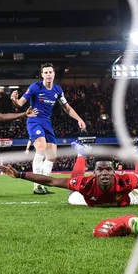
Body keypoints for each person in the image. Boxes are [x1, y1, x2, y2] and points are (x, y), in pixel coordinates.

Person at [0, 142, 138, 207]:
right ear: (95, 172)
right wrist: (21, 175)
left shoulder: (124, 180)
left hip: (126, 199)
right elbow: (51, 180)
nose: (105, 172)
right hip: (89, 198)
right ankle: (82, 155)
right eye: (101, 169)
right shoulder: (87, 184)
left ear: (115, 171)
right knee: (73, 189)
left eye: (109, 168)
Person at [10, 62, 86, 195]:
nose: (48, 74)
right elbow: (20, 103)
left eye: (50, 72)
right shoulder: (35, 87)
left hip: (47, 122)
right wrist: (14, 100)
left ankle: (43, 184)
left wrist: (79, 119)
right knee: (41, 148)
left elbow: (67, 108)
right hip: (34, 120)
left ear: (54, 74)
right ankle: (36, 186)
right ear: (42, 75)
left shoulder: (57, 90)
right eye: (45, 72)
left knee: (52, 156)